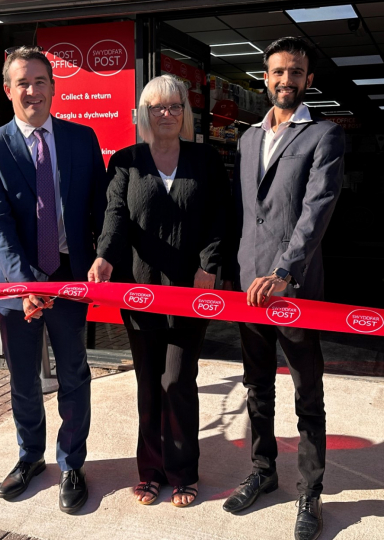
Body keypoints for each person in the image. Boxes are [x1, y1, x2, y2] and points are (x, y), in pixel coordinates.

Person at [0, 46, 106, 514]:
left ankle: (72, 464)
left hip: (69, 277)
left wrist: (103, 255)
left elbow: (100, 208)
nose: (32, 90)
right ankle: (30, 458)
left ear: (53, 86)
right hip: (14, 285)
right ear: (7, 90)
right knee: (23, 379)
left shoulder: (81, 139)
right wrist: (27, 283)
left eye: (40, 81)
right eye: (22, 82)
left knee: (74, 374)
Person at [87, 75, 230, 508]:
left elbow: (221, 216)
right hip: (140, 290)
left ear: (184, 112)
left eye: (173, 106)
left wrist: (210, 265)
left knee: (179, 380)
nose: (165, 114)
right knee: (149, 382)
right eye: (156, 107)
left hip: (190, 290)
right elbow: (114, 215)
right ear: (144, 115)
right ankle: (150, 470)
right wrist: (104, 257)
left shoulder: (205, 159)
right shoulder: (127, 161)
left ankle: (183, 471)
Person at [222, 37, 344, 540]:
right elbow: (245, 214)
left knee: (306, 392)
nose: (285, 81)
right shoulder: (248, 138)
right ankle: (263, 471)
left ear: (308, 79)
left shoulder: (325, 135)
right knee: (257, 388)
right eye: (277, 72)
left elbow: (316, 213)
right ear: (264, 76)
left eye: (295, 72)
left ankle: (309, 491)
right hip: (249, 288)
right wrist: (234, 271)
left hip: (293, 289)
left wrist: (285, 272)